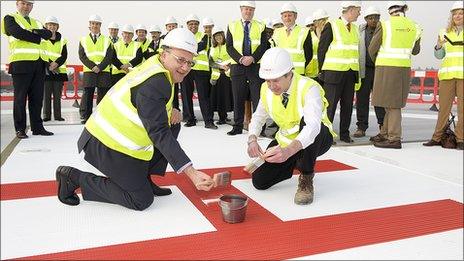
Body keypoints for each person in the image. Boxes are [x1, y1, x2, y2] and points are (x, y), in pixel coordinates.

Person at [55, 28, 216, 210]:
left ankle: (143, 179)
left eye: (190, 62)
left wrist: (171, 110)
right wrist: (191, 172)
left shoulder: (159, 66)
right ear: (164, 55)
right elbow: (158, 132)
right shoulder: (156, 82)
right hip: (104, 142)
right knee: (140, 200)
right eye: (180, 60)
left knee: (173, 125)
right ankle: (74, 177)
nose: (186, 68)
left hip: (116, 137)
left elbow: (153, 108)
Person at [247, 47, 334, 205]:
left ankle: (306, 177)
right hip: (286, 141)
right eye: (268, 81)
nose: (271, 86)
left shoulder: (309, 87)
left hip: (318, 139)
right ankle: (297, 160)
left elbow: (313, 127)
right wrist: (252, 139)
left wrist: (288, 151)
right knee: (260, 181)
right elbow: (259, 116)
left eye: (276, 80)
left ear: (289, 74)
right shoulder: (266, 90)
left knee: (307, 126)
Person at [369, 1, 422, 149]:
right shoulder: (415, 27)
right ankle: (385, 133)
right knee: (391, 102)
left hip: (386, 67)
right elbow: (416, 51)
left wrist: (378, 62)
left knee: (391, 105)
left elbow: (372, 49)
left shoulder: (385, 25)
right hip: (404, 68)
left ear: (390, 10)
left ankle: (393, 138)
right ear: (404, 9)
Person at [2, 0, 54, 139]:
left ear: (32, 6)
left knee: (37, 98)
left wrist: (35, 31)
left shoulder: (36, 22)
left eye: (29, 4)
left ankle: (37, 127)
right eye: (23, 3)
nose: (26, 6)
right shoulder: (10, 18)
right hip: (21, 63)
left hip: (39, 63)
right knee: (20, 98)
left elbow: (49, 34)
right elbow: (16, 32)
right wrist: (38, 37)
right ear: (17, 4)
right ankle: (20, 129)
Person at [318, 1, 361, 144]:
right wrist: (321, 72)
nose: (360, 13)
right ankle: (326, 136)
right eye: (358, 10)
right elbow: (322, 49)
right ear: (350, 10)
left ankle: (344, 134)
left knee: (347, 107)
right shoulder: (332, 25)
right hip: (333, 74)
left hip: (350, 74)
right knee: (330, 107)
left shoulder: (355, 29)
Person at [423, 1, 463, 150]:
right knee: (444, 108)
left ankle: (460, 139)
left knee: (462, 109)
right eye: (455, 14)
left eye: (461, 13)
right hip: (447, 75)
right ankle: (437, 137)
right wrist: (439, 46)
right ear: (451, 16)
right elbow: (439, 56)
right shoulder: (444, 32)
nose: (457, 16)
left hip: (463, 75)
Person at [226, 0, 269, 135]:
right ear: (241, 9)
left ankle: (259, 128)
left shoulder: (261, 26)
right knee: (238, 98)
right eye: (246, 9)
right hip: (238, 67)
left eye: (251, 9)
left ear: (254, 11)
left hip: (255, 67)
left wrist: (253, 58)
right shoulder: (232, 25)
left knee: (257, 99)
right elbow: (229, 46)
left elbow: (263, 46)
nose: (248, 11)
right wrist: (240, 58)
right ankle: (238, 126)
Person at [353, 6, 385, 138]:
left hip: (379, 70)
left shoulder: (384, 31)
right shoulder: (359, 31)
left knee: (379, 100)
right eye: (370, 18)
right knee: (362, 99)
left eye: (376, 18)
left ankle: (383, 126)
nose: (374, 20)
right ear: (365, 19)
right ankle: (361, 127)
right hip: (364, 70)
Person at [182, 14, 217, 129]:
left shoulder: (204, 36)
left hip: (201, 70)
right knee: (186, 95)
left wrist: (187, 47)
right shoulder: (184, 36)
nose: (193, 26)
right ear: (187, 25)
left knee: (204, 96)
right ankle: (190, 119)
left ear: (198, 25)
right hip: (186, 69)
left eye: (195, 24)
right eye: (191, 24)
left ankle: (208, 121)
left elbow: (200, 47)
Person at [78, 14, 113, 124]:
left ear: (100, 25)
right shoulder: (83, 40)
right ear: (90, 25)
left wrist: (100, 67)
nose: (95, 26)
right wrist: (93, 66)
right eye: (93, 23)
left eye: (97, 24)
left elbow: (109, 56)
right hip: (90, 70)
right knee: (87, 94)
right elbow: (82, 56)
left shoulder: (107, 40)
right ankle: (86, 117)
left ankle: (101, 116)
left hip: (103, 71)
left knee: (102, 95)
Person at [273, 2, 313, 76]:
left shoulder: (304, 31)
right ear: (282, 18)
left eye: (290, 15)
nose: (287, 18)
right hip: (281, 72)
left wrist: (301, 65)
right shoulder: (276, 32)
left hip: (298, 72)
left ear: (295, 16)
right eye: (285, 16)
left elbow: (309, 53)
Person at [42, 16, 68, 122]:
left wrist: (56, 64)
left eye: (54, 25)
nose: (52, 27)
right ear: (46, 26)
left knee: (57, 95)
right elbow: (41, 53)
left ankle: (58, 116)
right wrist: (49, 65)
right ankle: (46, 116)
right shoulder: (42, 39)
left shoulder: (63, 40)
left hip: (59, 71)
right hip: (46, 70)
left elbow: (64, 55)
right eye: (50, 25)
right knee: (46, 94)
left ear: (57, 27)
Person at [209, 26, 233, 125]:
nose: (218, 38)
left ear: (223, 36)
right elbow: (210, 62)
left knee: (228, 97)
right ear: (213, 38)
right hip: (217, 76)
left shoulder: (228, 46)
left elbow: (233, 57)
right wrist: (221, 66)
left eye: (220, 35)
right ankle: (221, 118)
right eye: (216, 36)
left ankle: (227, 117)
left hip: (228, 75)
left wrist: (228, 66)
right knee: (219, 98)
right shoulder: (212, 48)